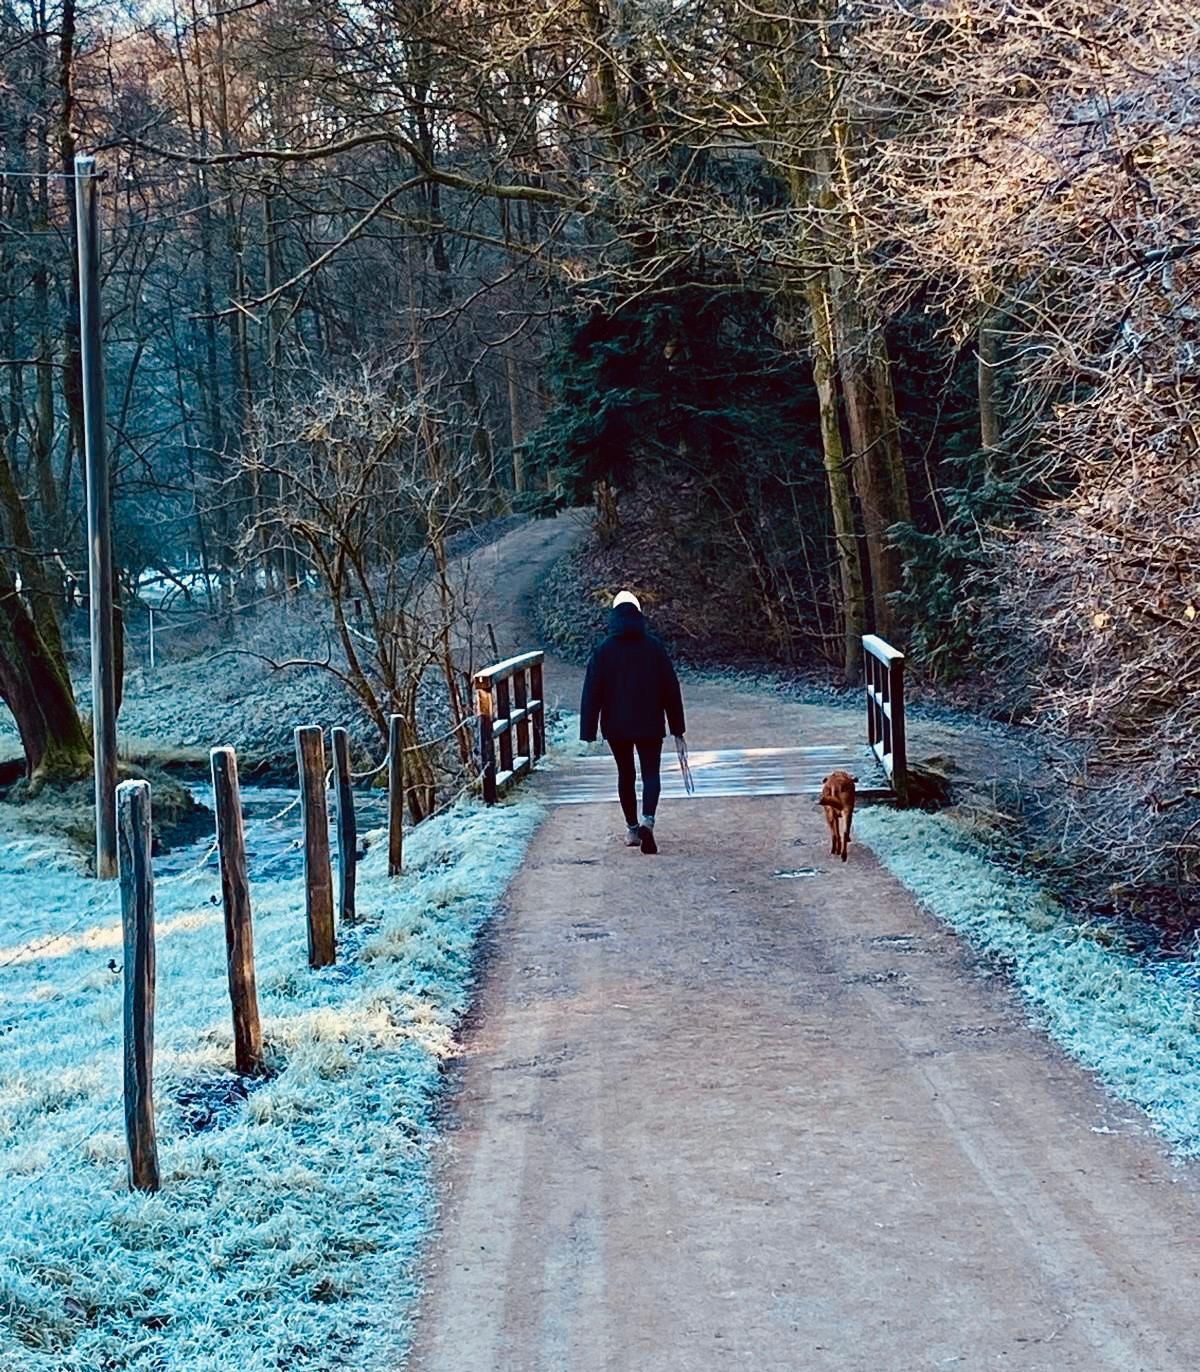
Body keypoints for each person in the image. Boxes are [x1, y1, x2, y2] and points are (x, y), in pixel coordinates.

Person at [580, 590, 686, 854]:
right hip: (650, 722)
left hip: (616, 726)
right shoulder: (654, 648)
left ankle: (632, 828)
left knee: (625, 774)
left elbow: (592, 690)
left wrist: (588, 731)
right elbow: (671, 688)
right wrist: (677, 729)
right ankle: (648, 821)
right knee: (651, 773)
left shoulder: (604, 650)